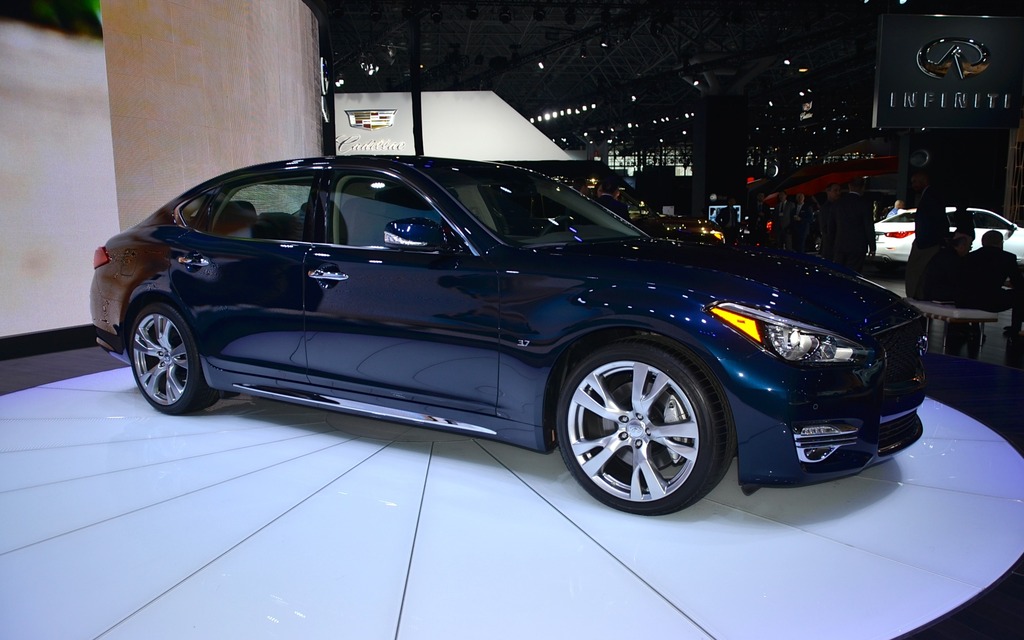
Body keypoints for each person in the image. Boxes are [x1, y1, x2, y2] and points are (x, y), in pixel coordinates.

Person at [956, 230, 1024, 339]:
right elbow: (1018, 283)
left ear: (983, 242)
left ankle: (975, 328)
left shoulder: (970, 257)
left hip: (969, 300)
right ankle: (1015, 329)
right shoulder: (1008, 258)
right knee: (1020, 295)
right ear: (1000, 243)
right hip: (993, 301)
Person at [905, 171, 949, 299]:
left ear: (923, 180)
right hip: (927, 241)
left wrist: (922, 242)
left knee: (916, 271)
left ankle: (917, 296)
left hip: (927, 243)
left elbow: (934, 220)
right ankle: (918, 296)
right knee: (919, 272)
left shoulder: (930, 197)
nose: (913, 185)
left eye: (915, 182)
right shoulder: (930, 196)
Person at [829, 177, 875, 272]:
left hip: (840, 244)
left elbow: (831, 227)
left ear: (849, 186)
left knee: (839, 272)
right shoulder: (864, 204)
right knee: (853, 273)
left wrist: (832, 244)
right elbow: (868, 226)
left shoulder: (838, 203)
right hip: (857, 246)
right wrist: (872, 247)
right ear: (863, 187)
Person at [920, 233, 971, 302]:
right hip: (940, 295)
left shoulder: (944, 255)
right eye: (969, 247)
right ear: (962, 246)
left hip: (933, 293)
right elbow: (957, 280)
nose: (969, 250)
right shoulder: (953, 259)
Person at [818, 182, 842, 261]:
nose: (838, 193)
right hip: (830, 245)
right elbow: (825, 228)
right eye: (835, 190)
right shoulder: (825, 208)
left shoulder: (842, 206)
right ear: (828, 191)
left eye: (839, 190)